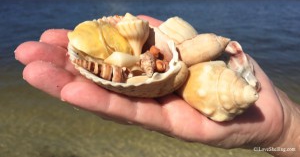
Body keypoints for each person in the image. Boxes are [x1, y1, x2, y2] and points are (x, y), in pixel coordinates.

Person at [15, 15, 299, 157]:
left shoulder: (163, 59)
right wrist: (284, 131)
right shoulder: (152, 57)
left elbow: (159, 61)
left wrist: (284, 129)